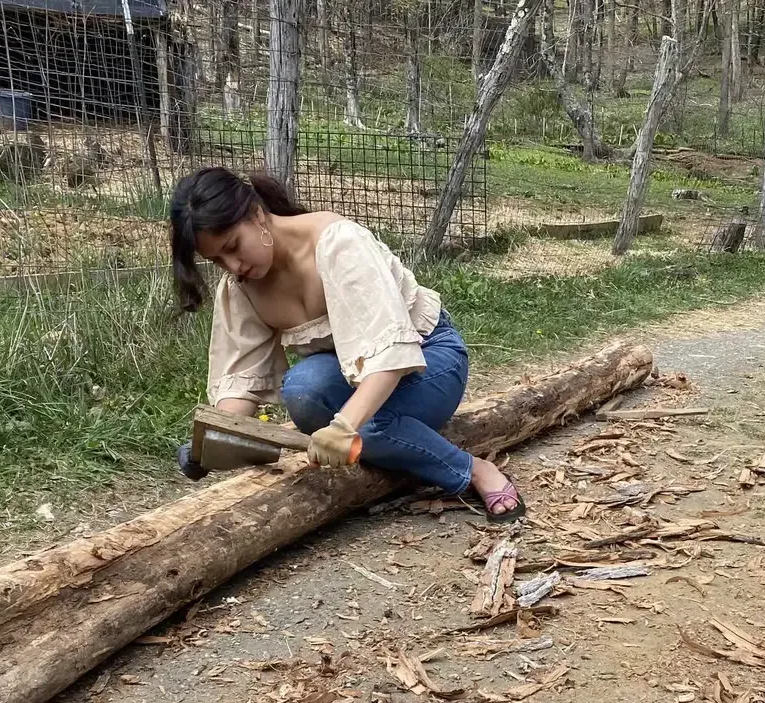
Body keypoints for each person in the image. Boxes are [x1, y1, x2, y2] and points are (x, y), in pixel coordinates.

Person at [169, 167, 524, 521]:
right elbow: (241, 379)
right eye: (217, 259)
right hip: (353, 378)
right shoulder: (240, 287)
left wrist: (344, 426)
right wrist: (217, 439)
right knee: (303, 389)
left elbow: (391, 356)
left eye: (232, 246)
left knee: (365, 427)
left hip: (427, 360)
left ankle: (472, 469)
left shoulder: (339, 243)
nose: (232, 265)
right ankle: (387, 438)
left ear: (257, 215)